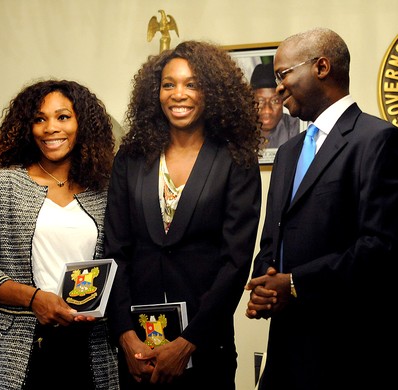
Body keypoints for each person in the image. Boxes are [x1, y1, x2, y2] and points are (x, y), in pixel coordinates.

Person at [246, 28, 398, 389]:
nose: (278, 88)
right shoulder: (288, 152)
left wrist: (293, 284)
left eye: (283, 74)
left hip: (353, 355)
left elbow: (387, 251)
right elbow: (272, 240)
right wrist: (266, 282)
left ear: (321, 67)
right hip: (288, 353)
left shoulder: (379, 141)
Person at [105, 41, 262, 389]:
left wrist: (188, 342)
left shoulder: (236, 159)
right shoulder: (131, 158)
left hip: (206, 346)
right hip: (139, 351)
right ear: (155, 92)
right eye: (169, 84)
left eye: (193, 84)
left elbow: (234, 263)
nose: (179, 94)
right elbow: (115, 251)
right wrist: (125, 336)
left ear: (213, 93)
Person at [0, 80, 119, 389]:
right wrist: (34, 299)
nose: (50, 128)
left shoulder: (105, 190)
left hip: (91, 346)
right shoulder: (2, 186)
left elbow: (121, 262)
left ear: (81, 124)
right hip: (19, 350)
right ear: (26, 127)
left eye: (63, 117)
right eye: (39, 119)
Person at [250, 63, 301, 149]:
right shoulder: (240, 130)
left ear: (283, 100)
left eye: (275, 101)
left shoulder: (297, 127)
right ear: (250, 101)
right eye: (260, 101)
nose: (267, 110)